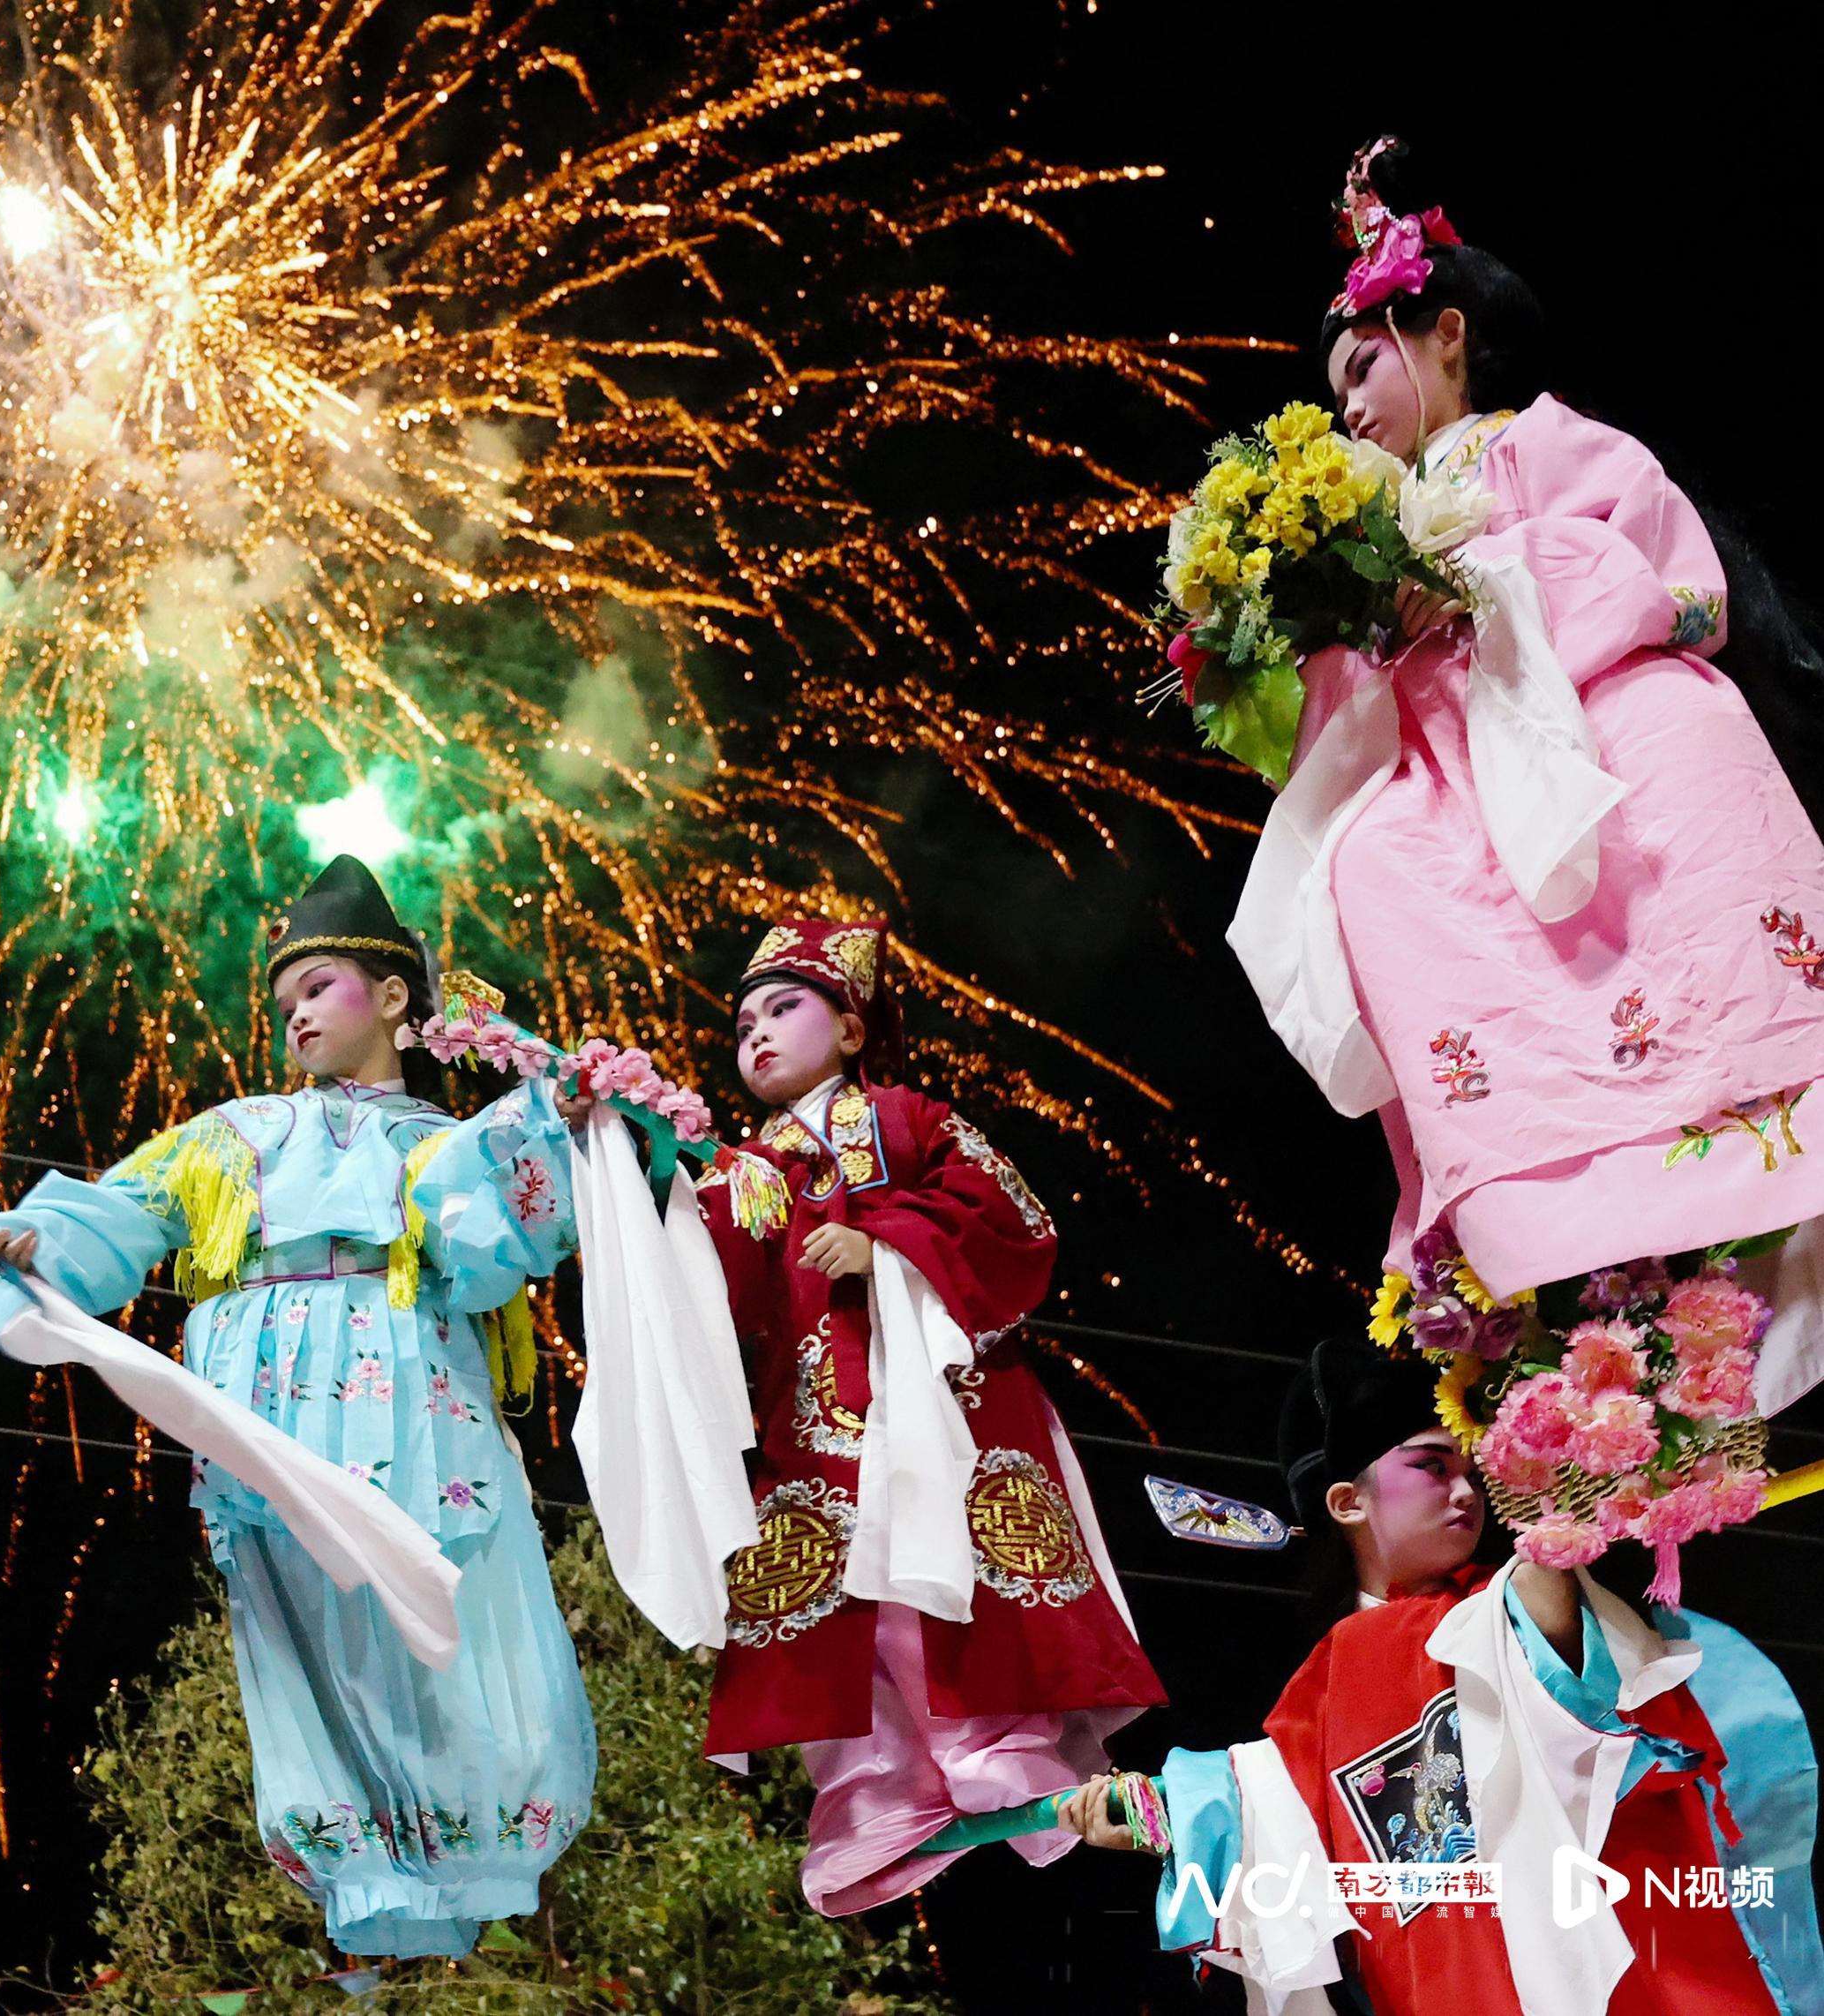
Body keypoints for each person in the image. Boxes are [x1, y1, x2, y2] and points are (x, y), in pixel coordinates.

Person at [1228, 137, 1824, 1416]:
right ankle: (1547, 1218)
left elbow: (1671, 588)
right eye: (1333, 394)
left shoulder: (1547, 444)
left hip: (1593, 702)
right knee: (1377, 865)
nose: (1348, 410)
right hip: (1450, 765)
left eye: (1363, 368)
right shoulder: (1355, 527)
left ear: (1446, 335)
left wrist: (1482, 582)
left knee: (1688, 742)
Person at [0, 854, 595, 1960]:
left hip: (412, 1403)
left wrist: (564, 1114)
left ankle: (468, 1858)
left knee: (438, 1631)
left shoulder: (438, 1144)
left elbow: (503, 1230)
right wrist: (35, 1242)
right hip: (266, 1423)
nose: (295, 1012)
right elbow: (124, 1209)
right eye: (286, 996)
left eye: (321, 986)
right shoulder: (230, 1136)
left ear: (394, 998)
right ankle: (361, 1875)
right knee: (302, 1649)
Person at [1059, 1336, 1822, 2016]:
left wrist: (1566, 1474)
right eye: (1430, 1465)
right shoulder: (1323, 1688)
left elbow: (1555, 1644)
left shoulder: (1507, 1607)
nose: (1466, 1491)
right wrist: (1159, 1822)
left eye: (1472, 1469)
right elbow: (1264, 1829)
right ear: (1346, 1502)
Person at [693, 916, 1165, 1913]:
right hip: (815, 1419)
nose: (758, 1035)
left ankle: (999, 1755)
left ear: (856, 1030)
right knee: (840, 1612)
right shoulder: (744, 1170)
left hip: (949, 1402)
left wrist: (887, 1249)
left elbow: (1017, 1220)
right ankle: (875, 1795)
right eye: (742, 1025)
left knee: (946, 1575)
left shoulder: (913, 1119)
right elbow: (705, 1290)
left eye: (785, 1008)